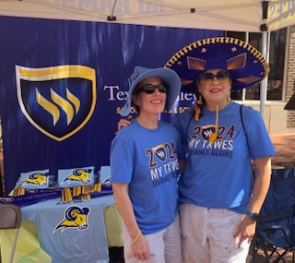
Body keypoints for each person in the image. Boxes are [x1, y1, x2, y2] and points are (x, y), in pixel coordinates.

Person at [117, 37, 276, 263]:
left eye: (221, 75)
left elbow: (264, 170)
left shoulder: (248, 118)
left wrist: (252, 216)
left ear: (231, 83)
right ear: (199, 86)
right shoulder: (186, 119)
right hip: (190, 212)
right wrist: (130, 126)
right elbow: (156, 138)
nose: (215, 81)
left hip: (231, 216)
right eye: (207, 76)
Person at [110, 66, 185, 263]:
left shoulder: (172, 132)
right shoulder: (126, 138)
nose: (157, 93)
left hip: (172, 222)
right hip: (144, 230)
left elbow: (181, 165)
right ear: (136, 98)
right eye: (149, 89)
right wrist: (135, 236)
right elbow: (119, 191)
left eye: (161, 89)